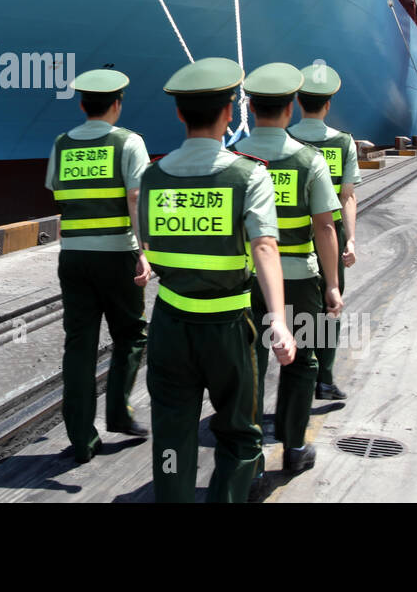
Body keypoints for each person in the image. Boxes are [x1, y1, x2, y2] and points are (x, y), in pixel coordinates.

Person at [139, 57, 296, 502]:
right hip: (228, 328)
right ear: (230, 112)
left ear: (178, 113)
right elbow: (265, 247)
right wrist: (280, 323)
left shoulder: (152, 176)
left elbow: (151, 243)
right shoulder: (249, 174)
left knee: (171, 433)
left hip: (169, 324)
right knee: (240, 434)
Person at [240, 62, 342, 478]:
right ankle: (295, 446)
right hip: (300, 280)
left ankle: (249, 459)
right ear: (289, 110)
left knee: (251, 363)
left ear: (248, 106)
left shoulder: (235, 158)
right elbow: (324, 227)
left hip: (244, 280)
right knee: (304, 363)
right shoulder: (309, 159)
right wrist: (332, 285)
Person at [45, 68, 151, 463]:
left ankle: (80, 437)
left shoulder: (62, 143)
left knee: (79, 345)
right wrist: (144, 250)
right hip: (117, 254)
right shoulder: (128, 142)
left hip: (73, 256)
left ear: (82, 104)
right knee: (132, 334)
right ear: (117, 104)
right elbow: (136, 196)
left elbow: (56, 190)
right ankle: (120, 414)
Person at [288, 62, 359, 402]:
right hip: (331, 234)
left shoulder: (285, 142)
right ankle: (324, 380)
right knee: (330, 305)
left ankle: (298, 373)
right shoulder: (344, 143)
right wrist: (351, 240)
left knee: (290, 309)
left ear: (299, 102)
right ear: (328, 104)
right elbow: (347, 197)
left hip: (289, 235)